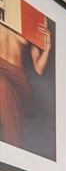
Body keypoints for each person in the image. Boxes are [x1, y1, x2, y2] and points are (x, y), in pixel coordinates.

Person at [0, 13, 51, 148]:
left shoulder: (29, 20)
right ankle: (12, 153)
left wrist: (47, 47)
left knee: (5, 87)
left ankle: (12, 154)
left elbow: (39, 69)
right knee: (2, 85)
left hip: (20, 81)